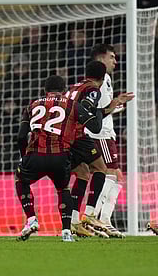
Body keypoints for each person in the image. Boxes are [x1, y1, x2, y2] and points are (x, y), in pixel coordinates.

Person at [15, 74, 103, 242]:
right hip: (60, 156)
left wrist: (23, 158)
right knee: (63, 189)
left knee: (20, 179)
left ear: (44, 90)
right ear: (64, 91)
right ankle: (66, 232)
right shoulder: (73, 105)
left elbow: (20, 136)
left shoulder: (33, 105)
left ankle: (32, 219)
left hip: (35, 156)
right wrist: (97, 111)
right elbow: (95, 127)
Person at [66, 60, 131, 237]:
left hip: (66, 137)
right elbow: (88, 113)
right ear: (102, 78)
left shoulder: (74, 87)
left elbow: (91, 111)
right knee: (101, 169)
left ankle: (73, 222)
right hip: (80, 136)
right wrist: (93, 123)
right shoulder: (93, 89)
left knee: (82, 174)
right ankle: (90, 214)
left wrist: (115, 102)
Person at [84, 44, 134, 238]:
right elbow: (101, 111)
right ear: (100, 59)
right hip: (101, 135)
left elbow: (105, 109)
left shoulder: (105, 80)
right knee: (109, 174)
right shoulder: (100, 80)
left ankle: (102, 220)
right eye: (111, 57)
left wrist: (119, 104)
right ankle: (95, 219)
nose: (115, 61)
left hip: (106, 133)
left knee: (115, 177)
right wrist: (118, 102)